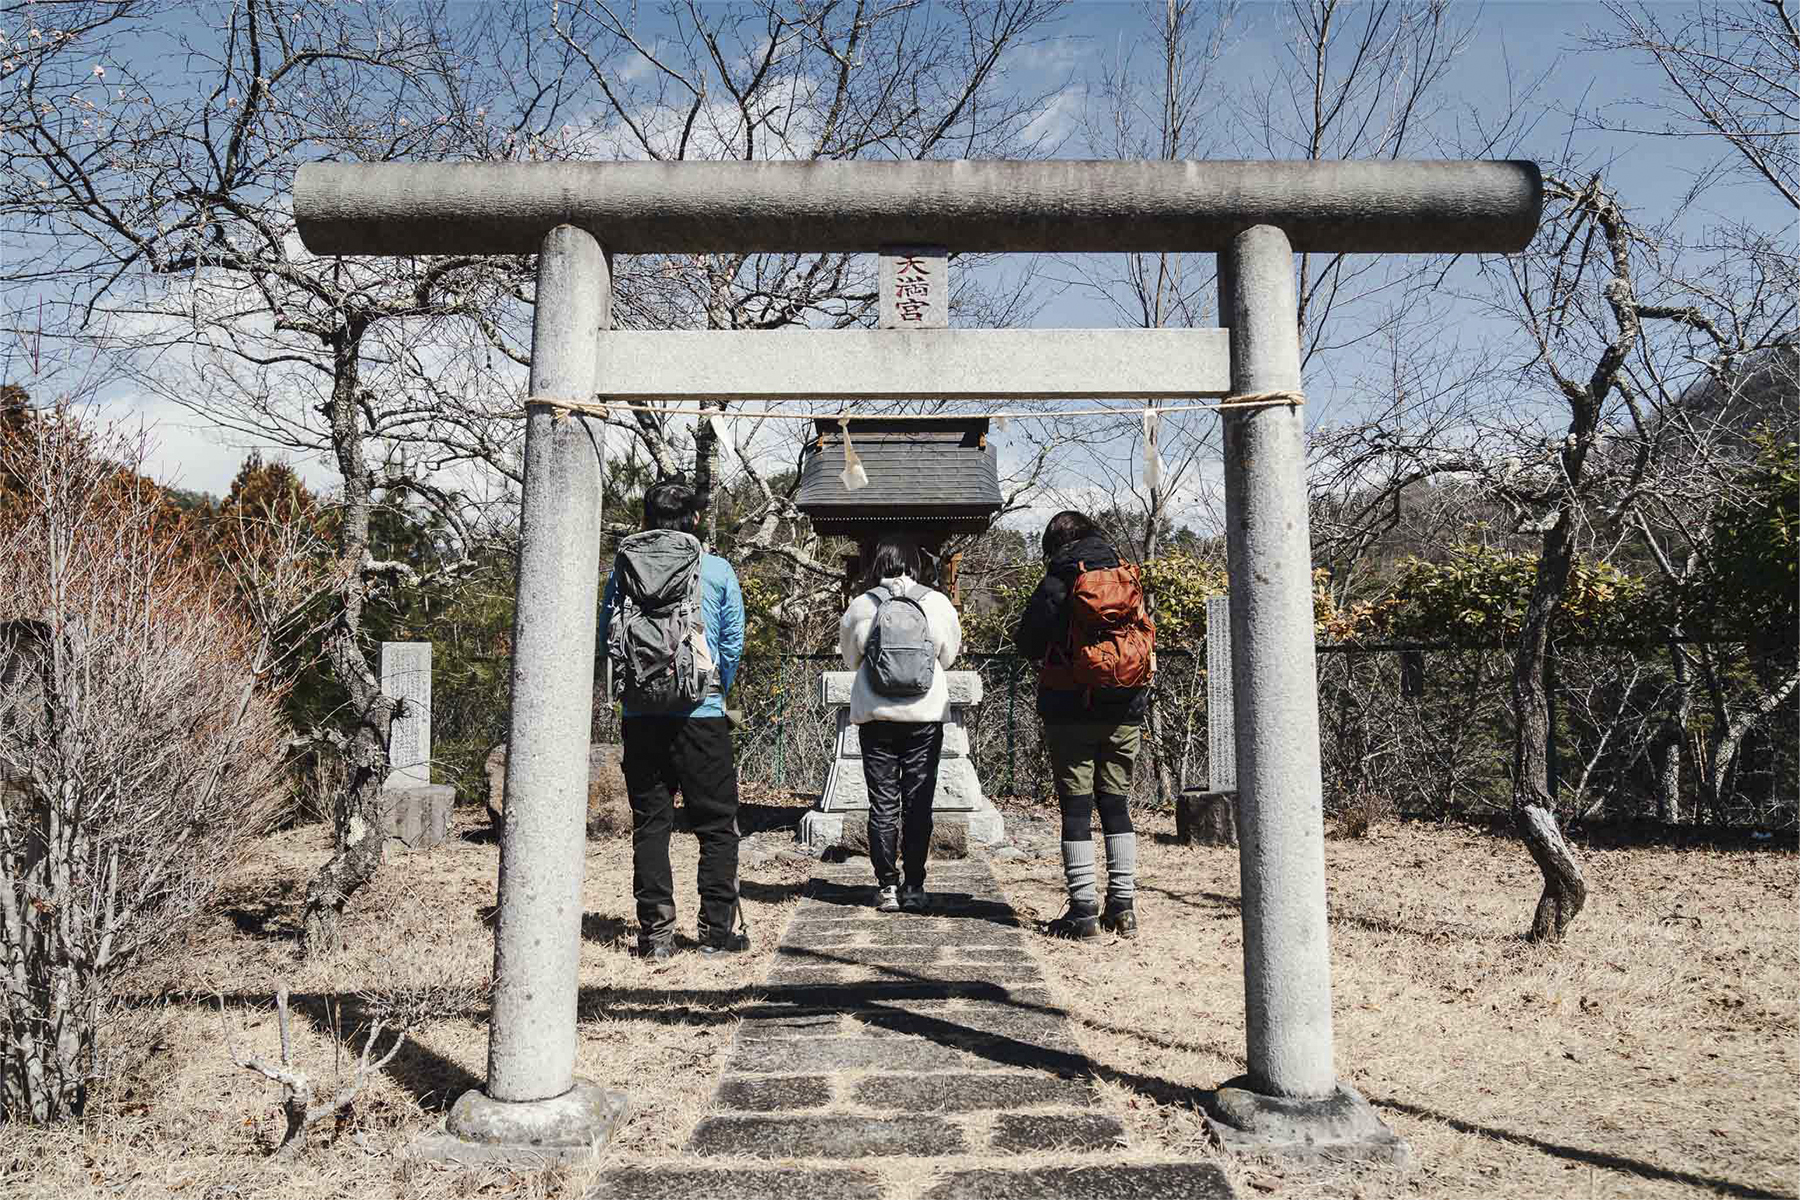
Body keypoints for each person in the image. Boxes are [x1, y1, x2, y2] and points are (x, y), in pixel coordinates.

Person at [600, 479, 747, 958]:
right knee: (717, 825)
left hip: (641, 714)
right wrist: (712, 686)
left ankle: (656, 936)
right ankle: (716, 935)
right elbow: (731, 643)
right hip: (700, 712)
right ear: (696, 520)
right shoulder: (717, 570)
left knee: (651, 824)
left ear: (645, 519)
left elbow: (608, 636)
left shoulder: (622, 569)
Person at [1014, 511, 1153, 940]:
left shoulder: (1059, 580)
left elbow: (1028, 643)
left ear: (1055, 543)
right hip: (1124, 706)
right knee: (1115, 804)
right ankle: (1123, 907)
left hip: (1069, 708)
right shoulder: (1126, 576)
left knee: (1076, 808)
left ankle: (1083, 911)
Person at [839, 536, 963, 913]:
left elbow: (851, 658)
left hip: (876, 717)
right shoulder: (936, 602)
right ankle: (914, 885)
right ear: (915, 565)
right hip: (924, 716)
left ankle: (887, 886)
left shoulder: (863, 604)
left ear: (876, 566)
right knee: (918, 802)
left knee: (882, 804)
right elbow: (948, 655)